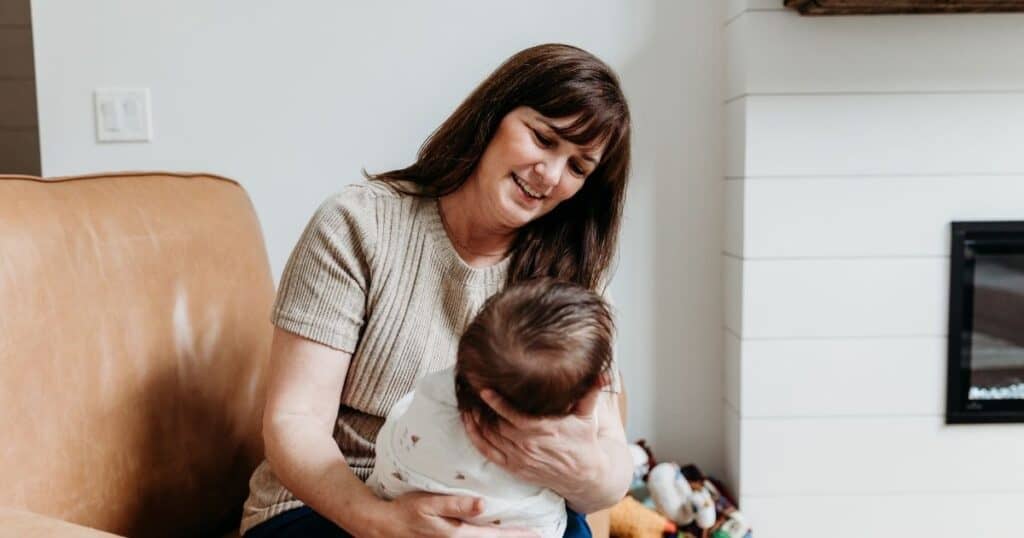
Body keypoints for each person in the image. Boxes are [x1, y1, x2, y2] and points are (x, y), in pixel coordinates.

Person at [240, 42, 633, 538]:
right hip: (338, 499)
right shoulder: (359, 224)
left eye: (578, 167)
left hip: (507, 504)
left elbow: (613, 467)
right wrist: (379, 520)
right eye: (543, 138)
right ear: (494, 114)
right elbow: (294, 420)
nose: (551, 175)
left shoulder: (576, 278)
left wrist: (580, 471)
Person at [368, 278, 616, 538]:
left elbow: (391, 436)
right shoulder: (553, 454)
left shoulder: (433, 395)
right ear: (591, 390)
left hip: (398, 496)